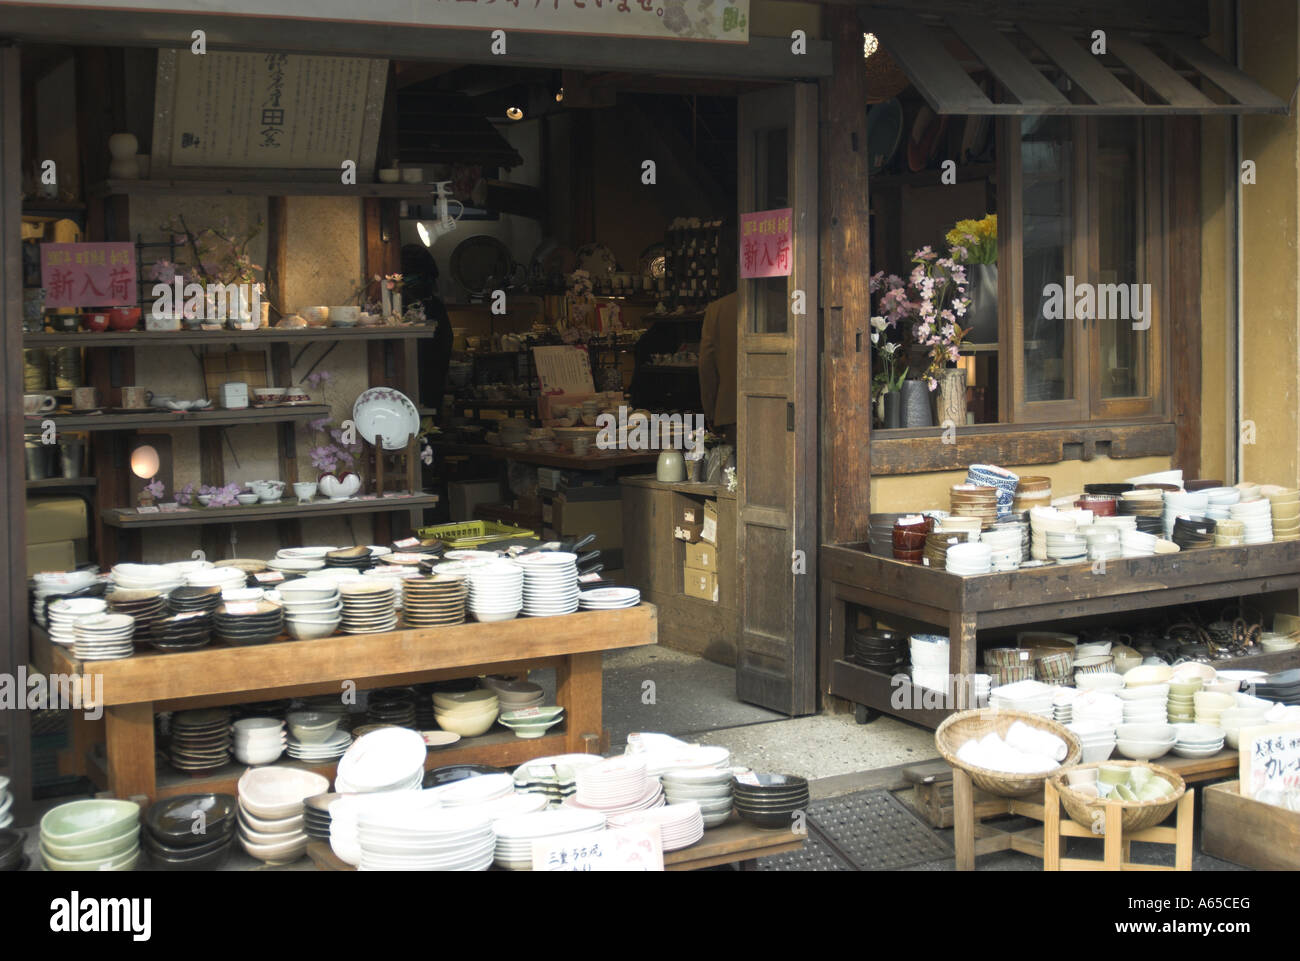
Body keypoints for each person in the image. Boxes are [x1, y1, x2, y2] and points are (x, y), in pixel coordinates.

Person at [401, 244, 454, 417]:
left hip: (420, 374)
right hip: (429, 376)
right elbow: (446, 342)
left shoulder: (404, 304)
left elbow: (445, 341)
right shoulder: (433, 305)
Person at [698, 291, 738, 443]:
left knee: (736, 463)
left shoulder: (717, 309)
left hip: (731, 410)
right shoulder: (787, 302)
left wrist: (710, 411)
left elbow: (706, 366)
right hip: (781, 408)